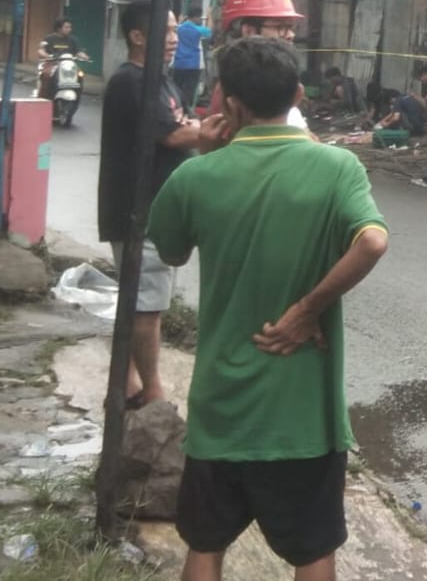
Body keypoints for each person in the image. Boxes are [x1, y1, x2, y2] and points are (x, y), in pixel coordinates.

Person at [147, 36, 389, 580]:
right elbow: (371, 241)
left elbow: (170, 249)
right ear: (299, 93)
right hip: (302, 414)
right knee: (312, 552)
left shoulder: (195, 176)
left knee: (205, 546)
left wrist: (208, 160)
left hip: (221, 407)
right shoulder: (337, 167)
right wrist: (308, 309)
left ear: (229, 103)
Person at [98, 0, 209, 410]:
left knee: (140, 305)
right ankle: (153, 393)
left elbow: (183, 125)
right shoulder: (132, 83)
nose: (174, 39)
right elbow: (176, 135)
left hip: (151, 213)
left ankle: (125, 386)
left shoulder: (160, 82)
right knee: (147, 310)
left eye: (176, 30)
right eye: (165, 31)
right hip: (138, 213)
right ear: (137, 36)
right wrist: (222, 130)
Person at [204, 0, 310, 141]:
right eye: (281, 27)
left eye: (291, 27)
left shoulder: (276, 82)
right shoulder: (235, 90)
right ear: (249, 31)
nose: (290, 35)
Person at [173, 7, 214, 112]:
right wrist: (209, 15)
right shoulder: (197, 29)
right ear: (195, 17)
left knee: (176, 89)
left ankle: (176, 109)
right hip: (192, 65)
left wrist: (180, 21)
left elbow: (175, 28)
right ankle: (187, 111)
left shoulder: (179, 28)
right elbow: (209, 31)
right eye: (199, 17)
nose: (200, 20)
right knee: (189, 92)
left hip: (178, 64)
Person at [36, 17, 88, 98]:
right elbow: (41, 50)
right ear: (59, 28)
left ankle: (78, 94)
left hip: (69, 64)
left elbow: (78, 52)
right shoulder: (48, 38)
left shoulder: (73, 40)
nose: (69, 29)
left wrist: (84, 56)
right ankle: (43, 95)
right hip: (52, 63)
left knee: (80, 75)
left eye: (70, 27)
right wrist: (47, 56)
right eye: (66, 27)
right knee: (46, 74)